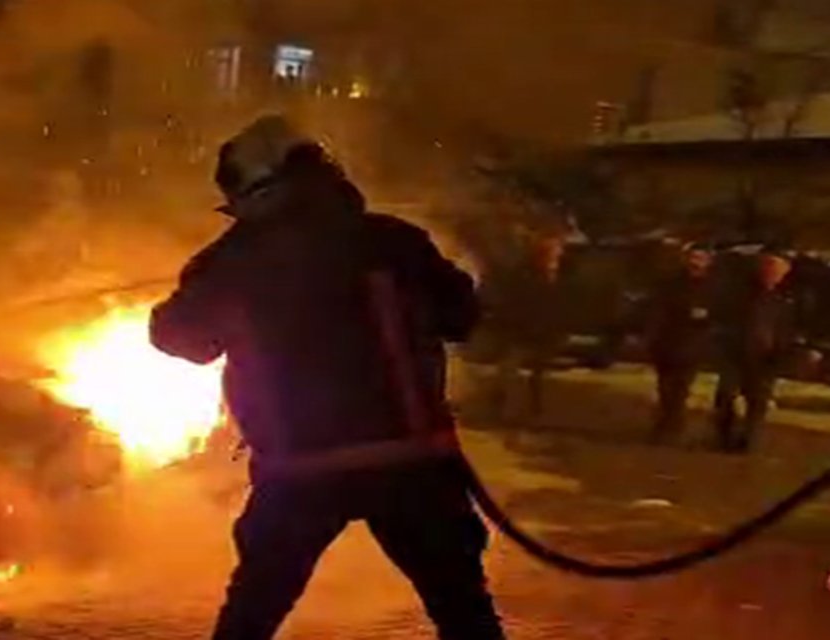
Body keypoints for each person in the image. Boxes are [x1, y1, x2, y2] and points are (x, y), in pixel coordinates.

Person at [148, 115, 505, 640]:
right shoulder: (394, 242)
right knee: (465, 614)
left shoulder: (230, 261)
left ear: (254, 193)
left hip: (300, 473)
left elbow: (185, 341)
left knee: (251, 616)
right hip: (411, 464)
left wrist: (168, 312)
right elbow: (463, 318)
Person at [710, 250, 799, 453]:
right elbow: (723, 320)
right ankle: (724, 437)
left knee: (757, 403)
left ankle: (748, 441)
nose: (771, 273)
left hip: (764, 360)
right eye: (768, 267)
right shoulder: (741, 294)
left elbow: (786, 330)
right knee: (726, 397)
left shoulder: (784, 300)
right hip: (735, 354)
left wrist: (782, 354)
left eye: (777, 270)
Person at [480, 221, 568, 424]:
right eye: (552, 254)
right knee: (509, 371)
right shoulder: (526, 276)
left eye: (556, 254)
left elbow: (557, 308)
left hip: (541, 332)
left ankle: (532, 408)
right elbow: (518, 302)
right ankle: (501, 407)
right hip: (523, 331)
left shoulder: (555, 279)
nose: (555, 258)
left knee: (534, 375)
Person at [646, 244, 714, 444]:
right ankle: (666, 423)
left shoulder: (712, 287)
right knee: (665, 388)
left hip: (693, 345)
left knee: (681, 389)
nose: (696, 262)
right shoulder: (672, 283)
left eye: (701, 258)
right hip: (668, 343)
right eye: (693, 257)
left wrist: (706, 318)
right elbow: (658, 311)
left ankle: (672, 425)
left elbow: (721, 314)